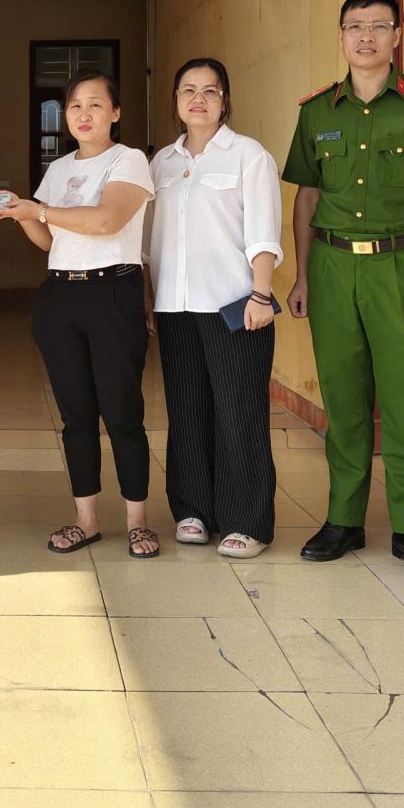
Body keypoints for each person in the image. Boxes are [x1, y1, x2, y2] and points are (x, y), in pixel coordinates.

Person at [283, 0, 404, 582]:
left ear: (397, 37)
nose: (364, 36)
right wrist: (303, 275)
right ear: (341, 37)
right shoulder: (317, 112)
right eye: (354, 26)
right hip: (333, 266)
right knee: (343, 402)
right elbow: (307, 198)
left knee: (402, 400)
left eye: (377, 26)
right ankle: (343, 520)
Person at [0, 69, 159, 558]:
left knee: (122, 412)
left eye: (96, 104)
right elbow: (48, 241)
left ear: (115, 113)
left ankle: (138, 522)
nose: (84, 114)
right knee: (76, 416)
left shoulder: (129, 160)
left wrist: (38, 210)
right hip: (61, 295)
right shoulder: (58, 169)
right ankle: (86, 520)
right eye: (75, 105)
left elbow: (106, 221)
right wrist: (18, 213)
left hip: (113, 292)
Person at [147, 57, 282, 557]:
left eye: (210, 90)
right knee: (186, 411)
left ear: (225, 100)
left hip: (235, 306)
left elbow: (264, 232)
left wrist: (261, 294)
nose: (198, 99)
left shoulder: (249, 155)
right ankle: (192, 511)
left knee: (239, 413)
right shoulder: (161, 163)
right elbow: (150, 240)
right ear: (176, 100)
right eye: (188, 90)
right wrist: (149, 298)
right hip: (174, 306)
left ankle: (246, 521)